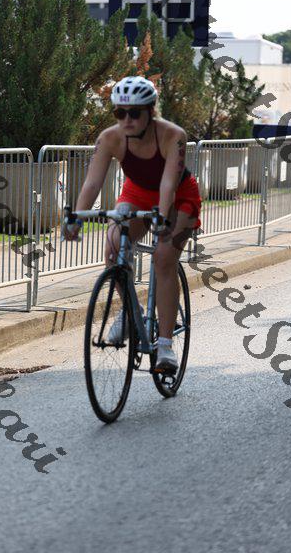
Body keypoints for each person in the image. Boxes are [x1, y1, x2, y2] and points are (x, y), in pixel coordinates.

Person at [64, 76, 201, 373]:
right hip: (137, 193)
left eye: (134, 113)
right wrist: (76, 217)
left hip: (179, 197)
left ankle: (165, 346)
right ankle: (131, 312)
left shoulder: (173, 135)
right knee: (113, 249)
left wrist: (162, 217)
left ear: (150, 111)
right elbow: (92, 182)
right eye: (120, 113)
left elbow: (168, 184)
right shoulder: (109, 138)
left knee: (164, 258)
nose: (126, 120)